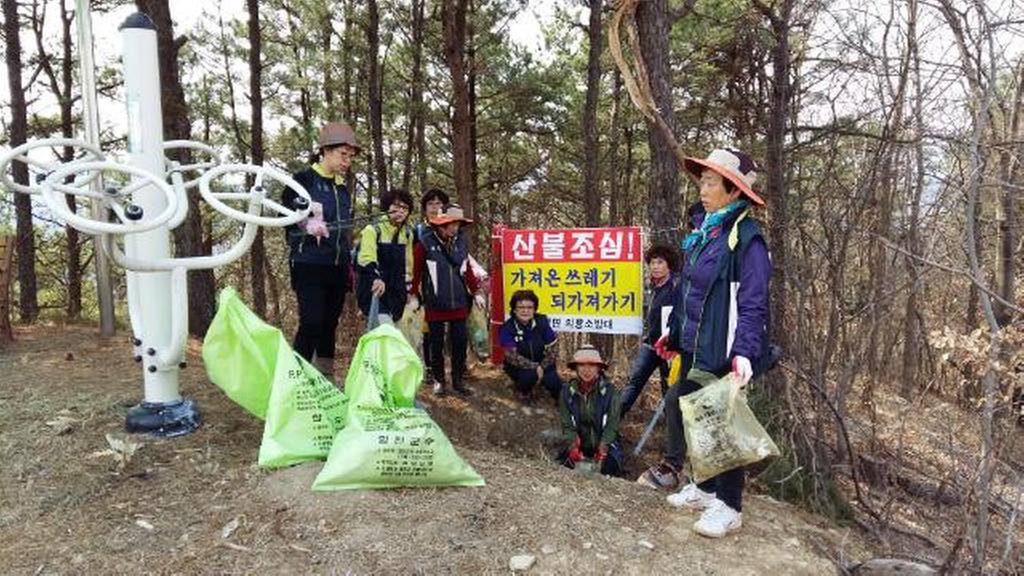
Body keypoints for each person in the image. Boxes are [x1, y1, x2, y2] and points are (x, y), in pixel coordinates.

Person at [636, 148, 772, 539]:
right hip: (697, 344)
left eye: (712, 181)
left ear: (734, 190)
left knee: (721, 423)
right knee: (688, 410)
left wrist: (744, 350)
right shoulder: (705, 231)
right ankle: (705, 486)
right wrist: (673, 334)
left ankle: (729, 506)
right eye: (703, 180)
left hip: (724, 349)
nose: (703, 187)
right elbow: (688, 294)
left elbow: (753, 300)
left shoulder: (746, 238)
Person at [282, 121, 358, 381]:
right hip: (308, 263)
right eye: (342, 154)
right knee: (311, 322)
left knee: (329, 324)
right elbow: (287, 207)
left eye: (350, 156)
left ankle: (325, 377)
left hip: (337, 266)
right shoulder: (303, 179)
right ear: (325, 151)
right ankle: (297, 379)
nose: (347, 161)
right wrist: (306, 221)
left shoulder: (341, 188)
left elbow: (343, 229)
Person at [411, 203, 484, 396]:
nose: (455, 228)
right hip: (435, 301)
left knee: (459, 341)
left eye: (458, 224)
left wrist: (476, 291)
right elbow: (416, 273)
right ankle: (439, 380)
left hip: (459, 301)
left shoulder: (461, 243)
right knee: (436, 343)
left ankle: (458, 380)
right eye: (452, 224)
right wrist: (413, 295)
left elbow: (466, 269)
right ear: (440, 225)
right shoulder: (424, 244)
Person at [619, 244, 681, 417]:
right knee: (634, 382)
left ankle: (673, 433)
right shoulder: (651, 288)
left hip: (670, 349)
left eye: (660, 262)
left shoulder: (677, 286)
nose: (655, 266)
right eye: (652, 263)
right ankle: (612, 424)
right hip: (651, 346)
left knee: (670, 389)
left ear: (669, 264)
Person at [557, 345, 623, 476]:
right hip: (580, 444)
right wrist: (572, 445)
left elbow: (612, 425)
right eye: (582, 365)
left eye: (592, 365)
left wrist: (604, 446)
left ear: (598, 368)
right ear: (576, 367)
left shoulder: (611, 392)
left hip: (605, 444)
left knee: (608, 468)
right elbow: (567, 424)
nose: (586, 370)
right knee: (565, 465)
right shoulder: (566, 392)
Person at [356, 188, 415, 325]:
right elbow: (366, 259)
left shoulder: (407, 234)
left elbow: (408, 264)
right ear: (387, 206)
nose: (400, 211)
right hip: (375, 291)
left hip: (397, 293)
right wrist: (375, 278)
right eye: (396, 206)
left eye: (405, 208)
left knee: (394, 335)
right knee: (385, 330)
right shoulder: (373, 230)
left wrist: (408, 289)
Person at [498, 289, 561, 403]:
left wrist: (542, 367)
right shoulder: (507, 328)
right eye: (521, 307)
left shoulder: (542, 322)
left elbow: (553, 348)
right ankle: (524, 392)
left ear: (534, 309)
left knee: (554, 382)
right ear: (514, 309)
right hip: (519, 367)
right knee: (529, 377)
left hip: (543, 363)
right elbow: (511, 356)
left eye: (529, 307)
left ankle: (559, 399)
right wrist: (535, 367)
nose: (525, 311)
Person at [415, 189, 450, 376]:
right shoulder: (419, 231)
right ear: (424, 209)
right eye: (431, 204)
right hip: (427, 285)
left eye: (439, 204)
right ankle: (431, 368)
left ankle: (458, 366)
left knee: (454, 327)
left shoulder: (452, 228)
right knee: (429, 328)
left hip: (451, 286)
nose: (435, 208)